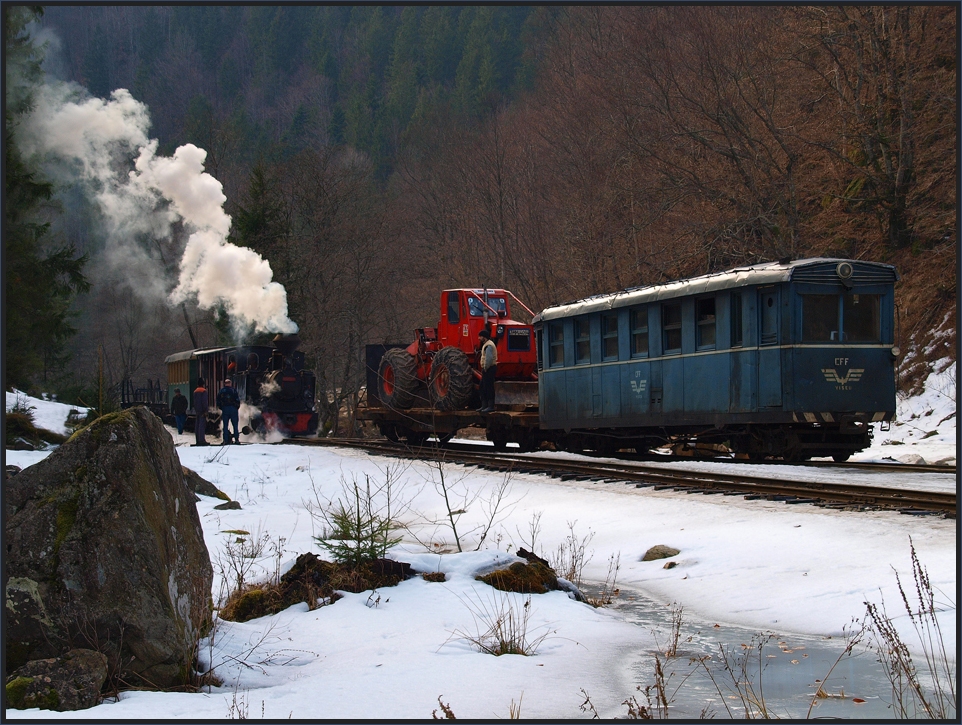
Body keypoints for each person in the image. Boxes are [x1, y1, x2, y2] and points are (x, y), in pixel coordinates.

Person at [477, 328, 498, 413]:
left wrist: (485, 367)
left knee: (488, 387)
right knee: (482, 387)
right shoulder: (487, 344)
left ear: (484, 337)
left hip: (489, 368)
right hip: (488, 368)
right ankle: (484, 405)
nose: (479, 338)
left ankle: (490, 406)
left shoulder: (488, 345)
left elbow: (488, 359)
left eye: (480, 336)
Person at [217, 378, 241, 445]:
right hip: (233, 409)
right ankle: (237, 439)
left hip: (225, 409)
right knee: (235, 425)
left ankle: (225, 440)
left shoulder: (222, 391)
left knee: (225, 425)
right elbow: (237, 400)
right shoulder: (233, 390)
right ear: (230, 383)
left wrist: (222, 407)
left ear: (225, 384)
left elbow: (218, 400)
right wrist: (236, 407)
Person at [193, 378, 209, 446]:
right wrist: (205, 410)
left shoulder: (195, 391)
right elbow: (204, 401)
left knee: (197, 425)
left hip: (197, 410)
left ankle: (197, 440)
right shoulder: (203, 391)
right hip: (202, 410)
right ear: (203, 384)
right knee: (202, 426)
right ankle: (202, 440)